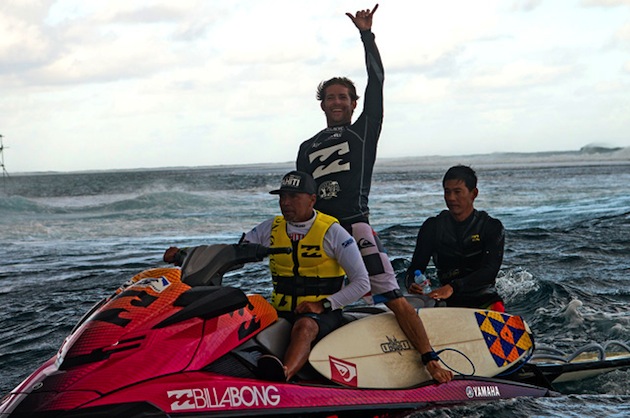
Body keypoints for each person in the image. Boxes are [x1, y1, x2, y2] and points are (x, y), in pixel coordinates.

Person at [295, 5, 453, 384]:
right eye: (330, 97)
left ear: (354, 104)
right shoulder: (307, 145)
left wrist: (367, 35)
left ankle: (430, 358)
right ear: (322, 104)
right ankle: (315, 363)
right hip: (318, 231)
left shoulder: (364, 131)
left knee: (390, 294)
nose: (337, 102)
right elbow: (300, 196)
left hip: (354, 225)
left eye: (343, 97)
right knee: (310, 296)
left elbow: (377, 81)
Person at [166, 171, 371, 382]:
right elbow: (233, 253)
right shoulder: (270, 228)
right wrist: (185, 254)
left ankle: (283, 375)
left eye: (293, 197)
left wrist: (324, 305)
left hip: (324, 314)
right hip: (280, 309)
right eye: (282, 197)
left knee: (305, 327)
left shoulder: (334, 233)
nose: (285, 203)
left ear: (312, 199)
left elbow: (362, 282)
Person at [405, 165, 506, 312]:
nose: (451, 198)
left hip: (484, 299)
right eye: (447, 192)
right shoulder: (432, 227)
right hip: (447, 302)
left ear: (474, 193)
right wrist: (411, 284)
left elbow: (490, 270)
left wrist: (453, 287)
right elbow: (414, 269)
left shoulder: (491, 227)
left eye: (457, 192)